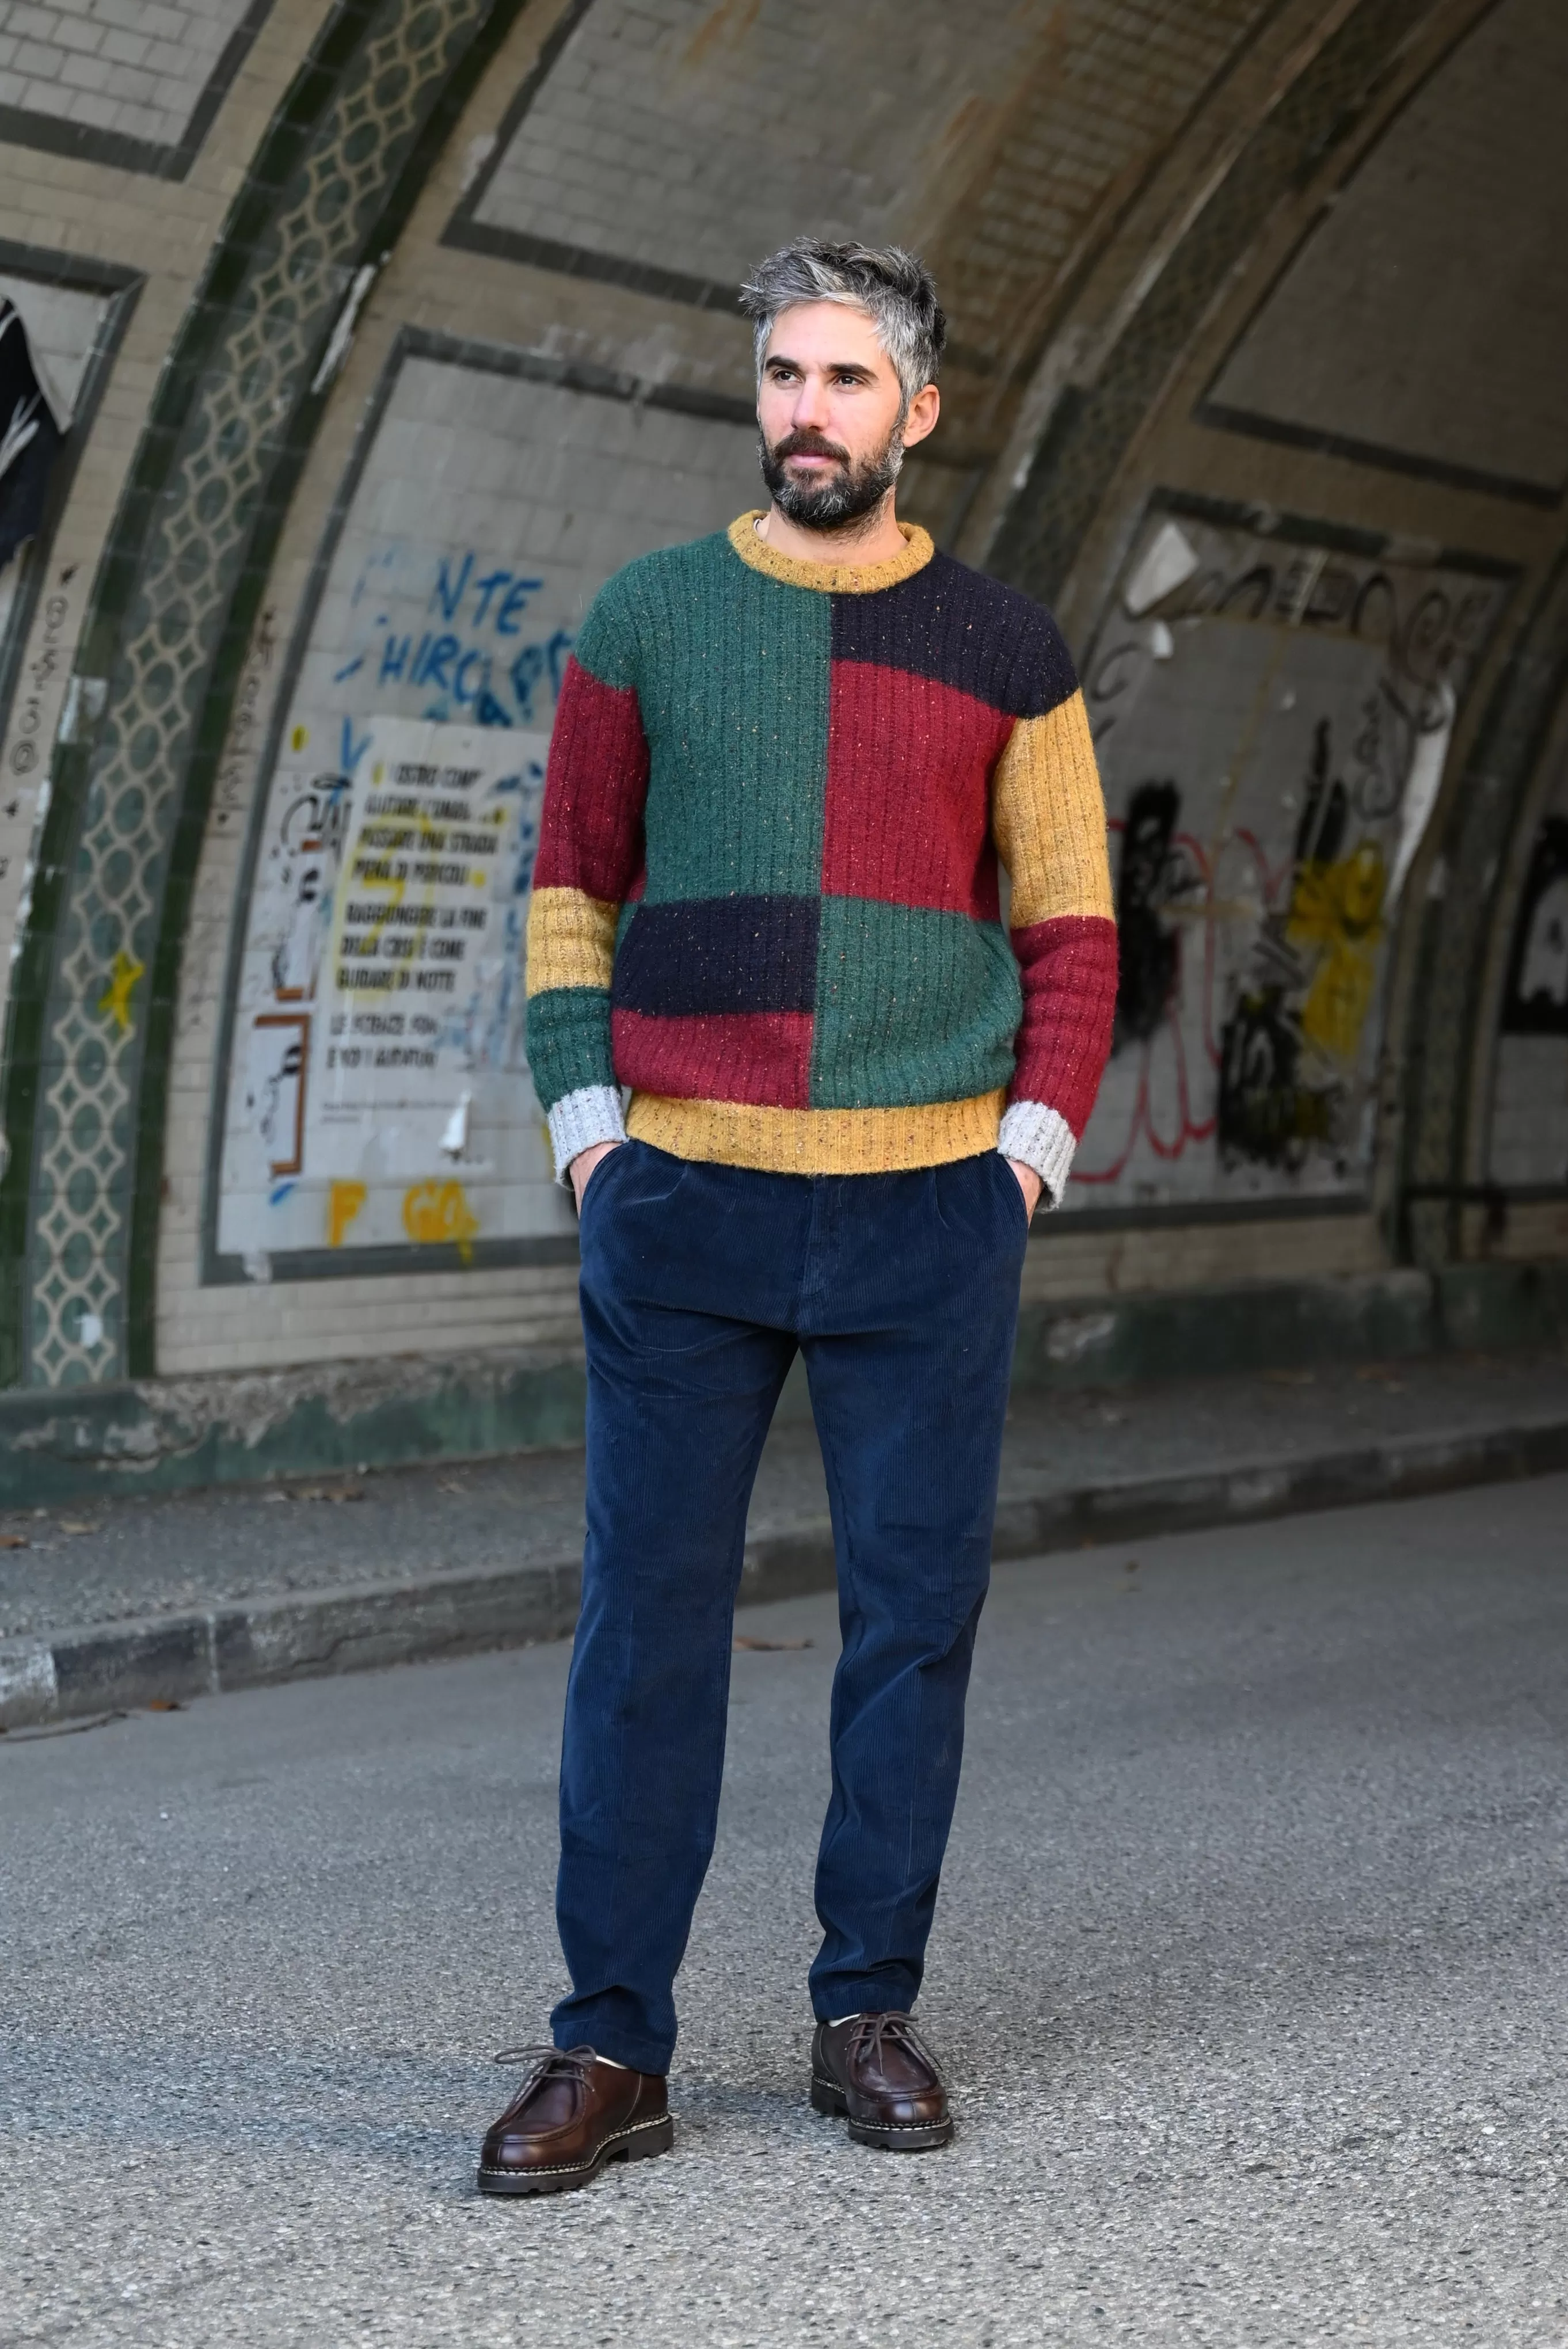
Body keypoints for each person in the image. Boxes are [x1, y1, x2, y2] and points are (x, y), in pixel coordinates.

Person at [478, 239, 1117, 2196]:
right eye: (781, 377)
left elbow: (1074, 917)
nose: (805, 414)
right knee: (640, 1633)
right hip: (681, 1199)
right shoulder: (650, 616)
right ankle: (612, 2051)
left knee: (908, 1629)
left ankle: (865, 2013)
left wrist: (1028, 1148)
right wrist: (591, 1126)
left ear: (915, 413)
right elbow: (570, 886)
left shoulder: (1009, 649)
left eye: (846, 382)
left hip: (929, 1205)